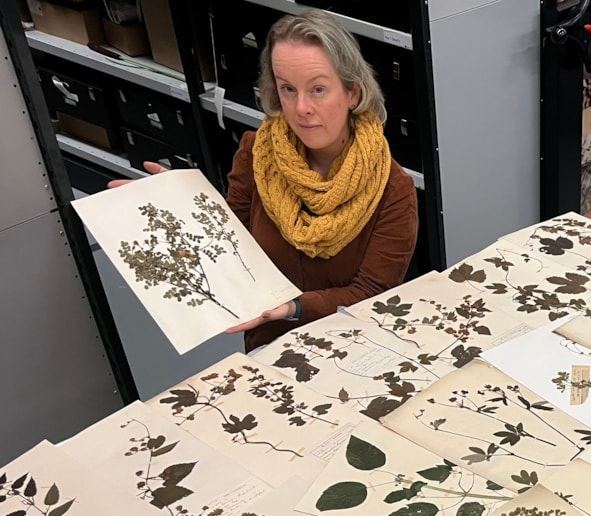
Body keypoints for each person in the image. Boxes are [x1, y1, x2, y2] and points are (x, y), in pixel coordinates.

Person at [114, 12, 418, 351]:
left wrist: (295, 307)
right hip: (267, 346)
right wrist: (182, 206)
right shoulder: (257, 153)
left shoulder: (392, 189)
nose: (301, 108)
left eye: (318, 89)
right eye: (288, 89)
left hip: (353, 348)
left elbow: (371, 295)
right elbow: (231, 246)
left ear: (352, 93)